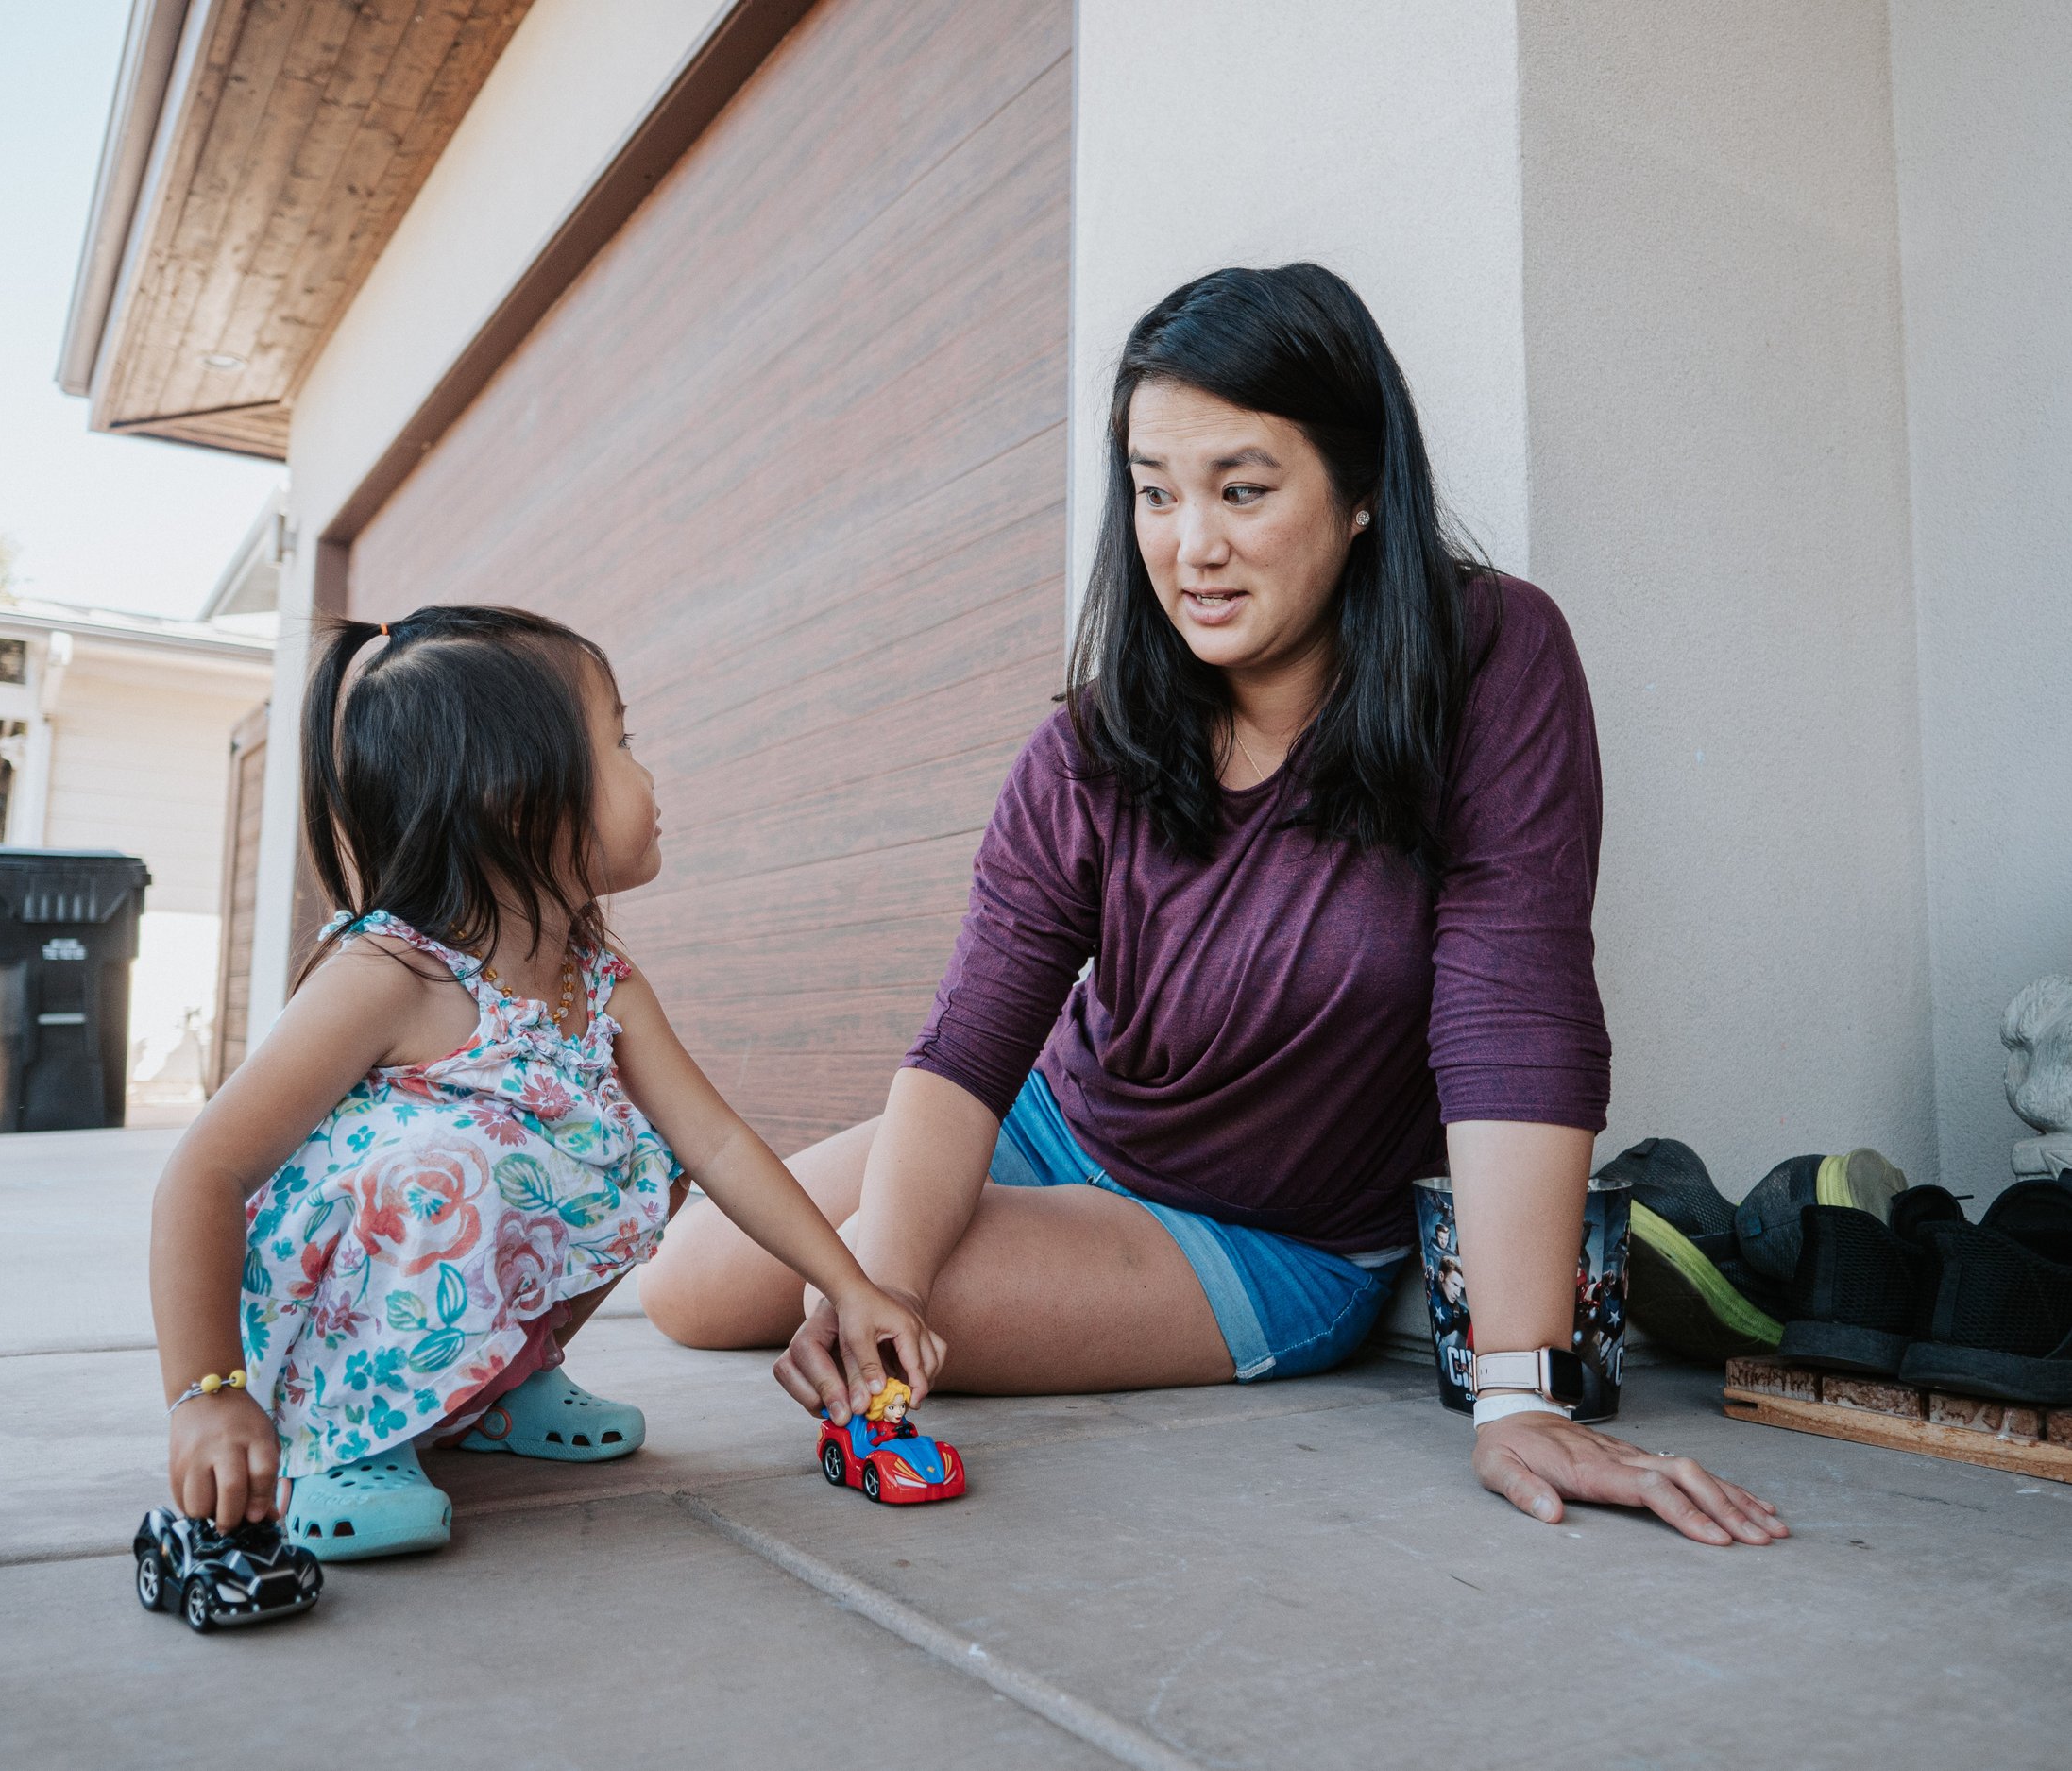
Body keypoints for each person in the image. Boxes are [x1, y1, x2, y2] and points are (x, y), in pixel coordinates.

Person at [644, 264, 1787, 1547]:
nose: (1191, 545)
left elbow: (1512, 999)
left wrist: (1521, 1389)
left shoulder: (1493, 660)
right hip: (1065, 1117)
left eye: (1243, 490)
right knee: (701, 1283)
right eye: (1153, 490)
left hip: (1255, 1235)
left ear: (1360, 494)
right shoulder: (1090, 743)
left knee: (864, 1276)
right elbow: (972, 1040)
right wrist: (882, 1277)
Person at [149, 606, 943, 1558]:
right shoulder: (390, 976)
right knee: (453, 1162)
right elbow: (204, 1174)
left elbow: (718, 1144)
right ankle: (346, 1447)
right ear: (515, 798)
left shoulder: (597, 979)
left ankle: (497, 1387)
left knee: (641, 1149)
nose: (647, 773)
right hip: (330, 1331)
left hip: (444, 1299)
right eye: (619, 742)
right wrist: (207, 1394)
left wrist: (848, 1286)